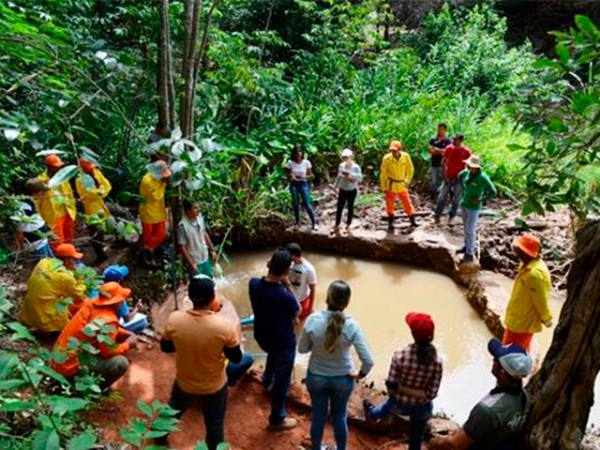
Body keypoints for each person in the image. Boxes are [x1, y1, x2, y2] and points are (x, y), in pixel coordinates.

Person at [159, 277, 242, 449]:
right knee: (214, 423)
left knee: (172, 411)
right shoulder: (224, 326)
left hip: (184, 381)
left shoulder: (175, 319)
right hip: (214, 386)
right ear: (213, 298)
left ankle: (158, 437)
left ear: (190, 297)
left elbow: (166, 348)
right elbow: (236, 358)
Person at [298, 280, 374, 450]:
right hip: (343, 379)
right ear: (347, 302)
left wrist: (316, 344)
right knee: (340, 417)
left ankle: (317, 448)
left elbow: (302, 349)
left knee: (318, 416)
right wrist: (360, 374)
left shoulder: (312, 320)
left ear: (327, 298)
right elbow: (368, 360)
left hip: (316, 376)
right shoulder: (352, 325)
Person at [430, 339, 532, 450]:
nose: (493, 359)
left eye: (496, 359)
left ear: (502, 372)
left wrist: (432, 441)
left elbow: (454, 445)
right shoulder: (524, 397)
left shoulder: (487, 410)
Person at [364, 312, 443, 450]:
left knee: (384, 407)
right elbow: (431, 394)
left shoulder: (400, 355)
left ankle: (372, 414)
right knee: (416, 439)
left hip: (398, 405)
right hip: (421, 409)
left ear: (412, 334)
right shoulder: (437, 362)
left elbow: (391, 388)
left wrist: (401, 389)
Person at [51, 282, 138, 391]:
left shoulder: (89, 304)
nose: (122, 302)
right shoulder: (109, 319)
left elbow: (96, 326)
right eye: (121, 300)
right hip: (71, 367)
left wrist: (123, 333)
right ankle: (94, 389)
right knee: (120, 363)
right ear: (116, 302)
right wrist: (128, 345)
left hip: (59, 360)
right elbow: (107, 352)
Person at [249, 248, 300, 431]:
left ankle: (267, 379)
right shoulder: (285, 296)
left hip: (263, 336)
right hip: (283, 342)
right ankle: (277, 418)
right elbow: (297, 314)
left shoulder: (253, 284)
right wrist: (288, 286)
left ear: (268, 264)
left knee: (272, 353)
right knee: (283, 379)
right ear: (286, 272)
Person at [19, 243, 87, 333]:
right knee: (83, 302)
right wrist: (82, 281)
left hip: (29, 312)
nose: (75, 262)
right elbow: (79, 295)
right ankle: (51, 331)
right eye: (74, 259)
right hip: (44, 316)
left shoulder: (44, 262)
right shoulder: (64, 277)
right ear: (67, 260)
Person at [503, 234, 552, 353]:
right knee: (510, 350)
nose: (515, 250)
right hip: (516, 317)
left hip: (523, 323)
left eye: (518, 248)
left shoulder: (535, 275)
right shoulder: (526, 265)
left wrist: (547, 319)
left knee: (513, 355)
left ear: (525, 253)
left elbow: (541, 301)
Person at [459, 155, 497, 264]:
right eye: (468, 165)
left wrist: (481, 200)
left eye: (470, 166)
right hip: (464, 204)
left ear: (477, 167)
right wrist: (464, 189)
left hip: (473, 208)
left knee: (471, 229)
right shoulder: (466, 173)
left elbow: (493, 191)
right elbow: (460, 176)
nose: (468, 167)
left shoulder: (482, 177)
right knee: (466, 227)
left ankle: (470, 253)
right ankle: (466, 247)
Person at [75, 158, 112, 264]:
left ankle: (102, 249)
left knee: (102, 230)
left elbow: (107, 184)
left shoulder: (96, 172)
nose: (92, 170)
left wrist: (101, 191)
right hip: (92, 210)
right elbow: (90, 195)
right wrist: (102, 191)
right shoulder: (80, 180)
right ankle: (100, 255)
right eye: (89, 169)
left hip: (101, 207)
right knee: (95, 232)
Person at [37, 154, 77, 248]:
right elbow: (37, 202)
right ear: (49, 167)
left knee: (68, 236)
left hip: (66, 211)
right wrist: (40, 219)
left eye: (59, 167)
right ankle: (60, 258)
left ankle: (69, 255)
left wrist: (72, 208)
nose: (59, 169)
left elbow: (69, 193)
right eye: (56, 167)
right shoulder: (40, 181)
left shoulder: (62, 177)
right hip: (52, 215)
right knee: (56, 240)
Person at [379, 140, 418, 230]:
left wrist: (407, 181)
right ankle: (391, 222)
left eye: (395, 150)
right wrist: (383, 186)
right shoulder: (387, 159)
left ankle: (412, 220)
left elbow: (410, 169)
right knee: (390, 204)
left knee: (407, 202)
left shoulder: (406, 157)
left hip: (401, 184)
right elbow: (383, 173)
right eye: (392, 150)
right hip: (390, 184)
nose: (393, 152)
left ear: (399, 149)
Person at [434, 134, 472, 224]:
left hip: (460, 178)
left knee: (456, 199)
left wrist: (467, 178)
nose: (454, 142)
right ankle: (437, 215)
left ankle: (451, 216)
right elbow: (443, 162)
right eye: (453, 140)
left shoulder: (466, 151)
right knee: (442, 197)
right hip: (448, 176)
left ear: (461, 141)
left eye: (456, 140)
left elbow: (469, 165)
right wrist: (444, 175)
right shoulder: (449, 148)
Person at [139, 160, 171, 266]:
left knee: (160, 234)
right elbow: (157, 196)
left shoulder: (159, 178)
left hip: (159, 211)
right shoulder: (147, 181)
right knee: (147, 235)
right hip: (148, 211)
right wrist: (163, 184)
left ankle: (149, 249)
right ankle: (146, 255)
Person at [102, 265, 149, 334]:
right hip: (113, 326)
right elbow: (127, 319)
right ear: (118, 280)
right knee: (143, 322)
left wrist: (127, 309)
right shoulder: (118, 295)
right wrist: (137, 308)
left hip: (102, 321)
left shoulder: (101, 290)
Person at [177, 199, 217, 278]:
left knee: (210, 282)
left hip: (205, 257)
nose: (198, 210)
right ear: (188, 211)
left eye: (198, 207)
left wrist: (212, 250)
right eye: (195, 208)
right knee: (198, 286)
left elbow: (204, 233)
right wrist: (191, 264)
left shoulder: (200, 218)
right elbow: (182, 247)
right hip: (195, 262)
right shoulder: (182, 226)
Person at [14, 179, 54, 259]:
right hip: (36, 244)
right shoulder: (23, 206)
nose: (43, 194)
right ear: (36, 192)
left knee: (51, 262)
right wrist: (19, 242)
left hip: (42, 241)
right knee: (44, 266)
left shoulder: (30, 202)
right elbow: (20, 229)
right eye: (42, 191)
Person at [285, 146, 317, 229]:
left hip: (303, 183)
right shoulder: (290, 163)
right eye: (296, 152)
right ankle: (297, 221)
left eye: (300, 151)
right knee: (295, 203)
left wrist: (304, 177)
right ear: (294, 153)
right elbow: (287, 174)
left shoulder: (306, 162)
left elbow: (311, 175)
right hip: (294, 184)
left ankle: (314, 222)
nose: (298, 153)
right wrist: (291, 176)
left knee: (307, 203)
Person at [332, 148, 363, 235]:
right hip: (343, 189)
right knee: (339, 207)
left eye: (347, 157)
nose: (345, 159)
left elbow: (359, 179)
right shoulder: (341, 165)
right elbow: (338, 176)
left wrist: (349, 177)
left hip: (351, 190)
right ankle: (337, 225)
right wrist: (335, 186)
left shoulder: (356, 167)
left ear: (351, 157)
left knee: (350, 207)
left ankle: (348, 225)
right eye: (344, 157)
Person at [286, 243, 317, 321]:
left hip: (302, 300)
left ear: (294, 256)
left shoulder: (309, 269)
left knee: (302, 321)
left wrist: (310, 308)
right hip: (289, 297)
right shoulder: (288, 263)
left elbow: (312, 289)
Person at [428, 123, 452, 197]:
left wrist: (437, 150)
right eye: (438, 129)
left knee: (443, 181)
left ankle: (443, 196)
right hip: (434, 164)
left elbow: (449, 152)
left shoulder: (448, 141)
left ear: (445, 130)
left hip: (444, 165)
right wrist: (442, 151)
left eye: (441, 129)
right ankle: (433, 196)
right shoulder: (433, 139)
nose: (439, 131)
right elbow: (430, 150)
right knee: (433, 181)